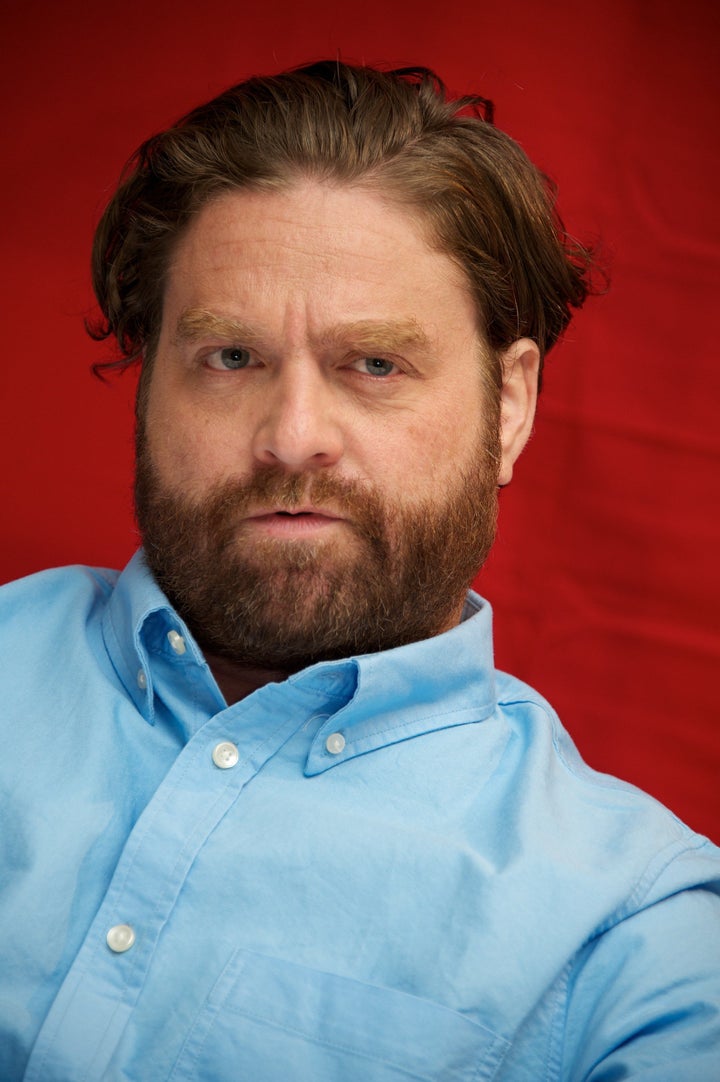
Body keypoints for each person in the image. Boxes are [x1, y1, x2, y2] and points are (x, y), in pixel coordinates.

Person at [1, 61, 718, 1081]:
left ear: (509, 405)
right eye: (231, 358)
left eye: (374, 364)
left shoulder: (632, 936)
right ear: (149, 376)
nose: (292, 439)